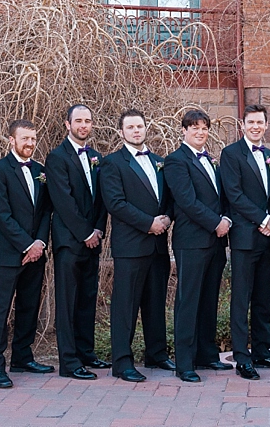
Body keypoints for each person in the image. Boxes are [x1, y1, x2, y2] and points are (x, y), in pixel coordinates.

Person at [99, 109, 173, 382]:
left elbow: (169, 197)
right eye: (130, 127)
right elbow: (116, 204)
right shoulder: (112, 164)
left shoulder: (159, 162)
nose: (136, 131)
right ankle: (121, 361)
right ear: (121, 132)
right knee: (125, 305)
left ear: (145, 128)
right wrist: (148, 223)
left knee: (155, 303)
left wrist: (166, 218)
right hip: (130, 246)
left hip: (158, 245)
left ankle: (156, 354)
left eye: (139, 126)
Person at [0, 119, 55, 389]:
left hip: (36, 252)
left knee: (29, 305)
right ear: (11, 141)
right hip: (11, 253)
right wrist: (27, 245)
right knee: (1, 308)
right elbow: (2, 215)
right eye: (24, 138)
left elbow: (46, 211)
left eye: (33, 139)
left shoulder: (40, 170)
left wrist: (39, 243)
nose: (30, 143)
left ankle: (23, 357)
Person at [164, 108, 232, 383]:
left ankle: (206, 354)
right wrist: (216, 223)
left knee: (209, 300)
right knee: (188, 301)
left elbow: (221, 195)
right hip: (192, 241)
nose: (200, 132)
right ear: (184, 131)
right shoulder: (175, 161)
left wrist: (225, 217)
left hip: (216, 242)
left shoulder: (211, 160)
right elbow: (186, 200)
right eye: (195, 128)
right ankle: (185, 363)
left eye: (204, 128)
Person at [45, 104, 111, 380]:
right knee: (68, 300)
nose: (84, 125)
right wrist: (86, 232)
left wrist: (97, 229)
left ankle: (86, 352)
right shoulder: (56, 157)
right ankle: (69, 362)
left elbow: (102, 200)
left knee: (87, 297)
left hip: (92, 240)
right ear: (67, 124)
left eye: (88, 121)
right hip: (69, 241)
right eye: (79, 121)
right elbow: (63, 201)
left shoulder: (97, 157)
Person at [221, 104, 270, 380]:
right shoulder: (231, 154)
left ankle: (261, 349)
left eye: (260, 122)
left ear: (266, 126)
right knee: (241, 298)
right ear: (243, 125)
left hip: (269, 240)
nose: (256, 126)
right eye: (251, 122)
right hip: (246, 238)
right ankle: (242, 357)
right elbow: (234, 195)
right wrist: (263, 220)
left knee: (263, 298)